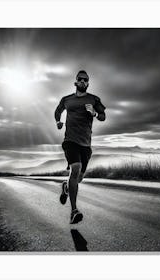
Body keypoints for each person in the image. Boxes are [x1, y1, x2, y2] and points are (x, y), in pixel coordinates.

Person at [54, 70, 106, 224]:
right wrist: (58, 121)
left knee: (79, 178)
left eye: (85, 80)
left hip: (86, 144)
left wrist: (95, 113)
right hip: (70, 141)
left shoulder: (94, 99)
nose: (82, 81)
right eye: (80, 79)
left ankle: (66, 187)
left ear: (88, 83)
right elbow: (57, 111)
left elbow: (103, 116)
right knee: (75, 169)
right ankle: (74, 211)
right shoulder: (67, 99)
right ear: (75, 82)